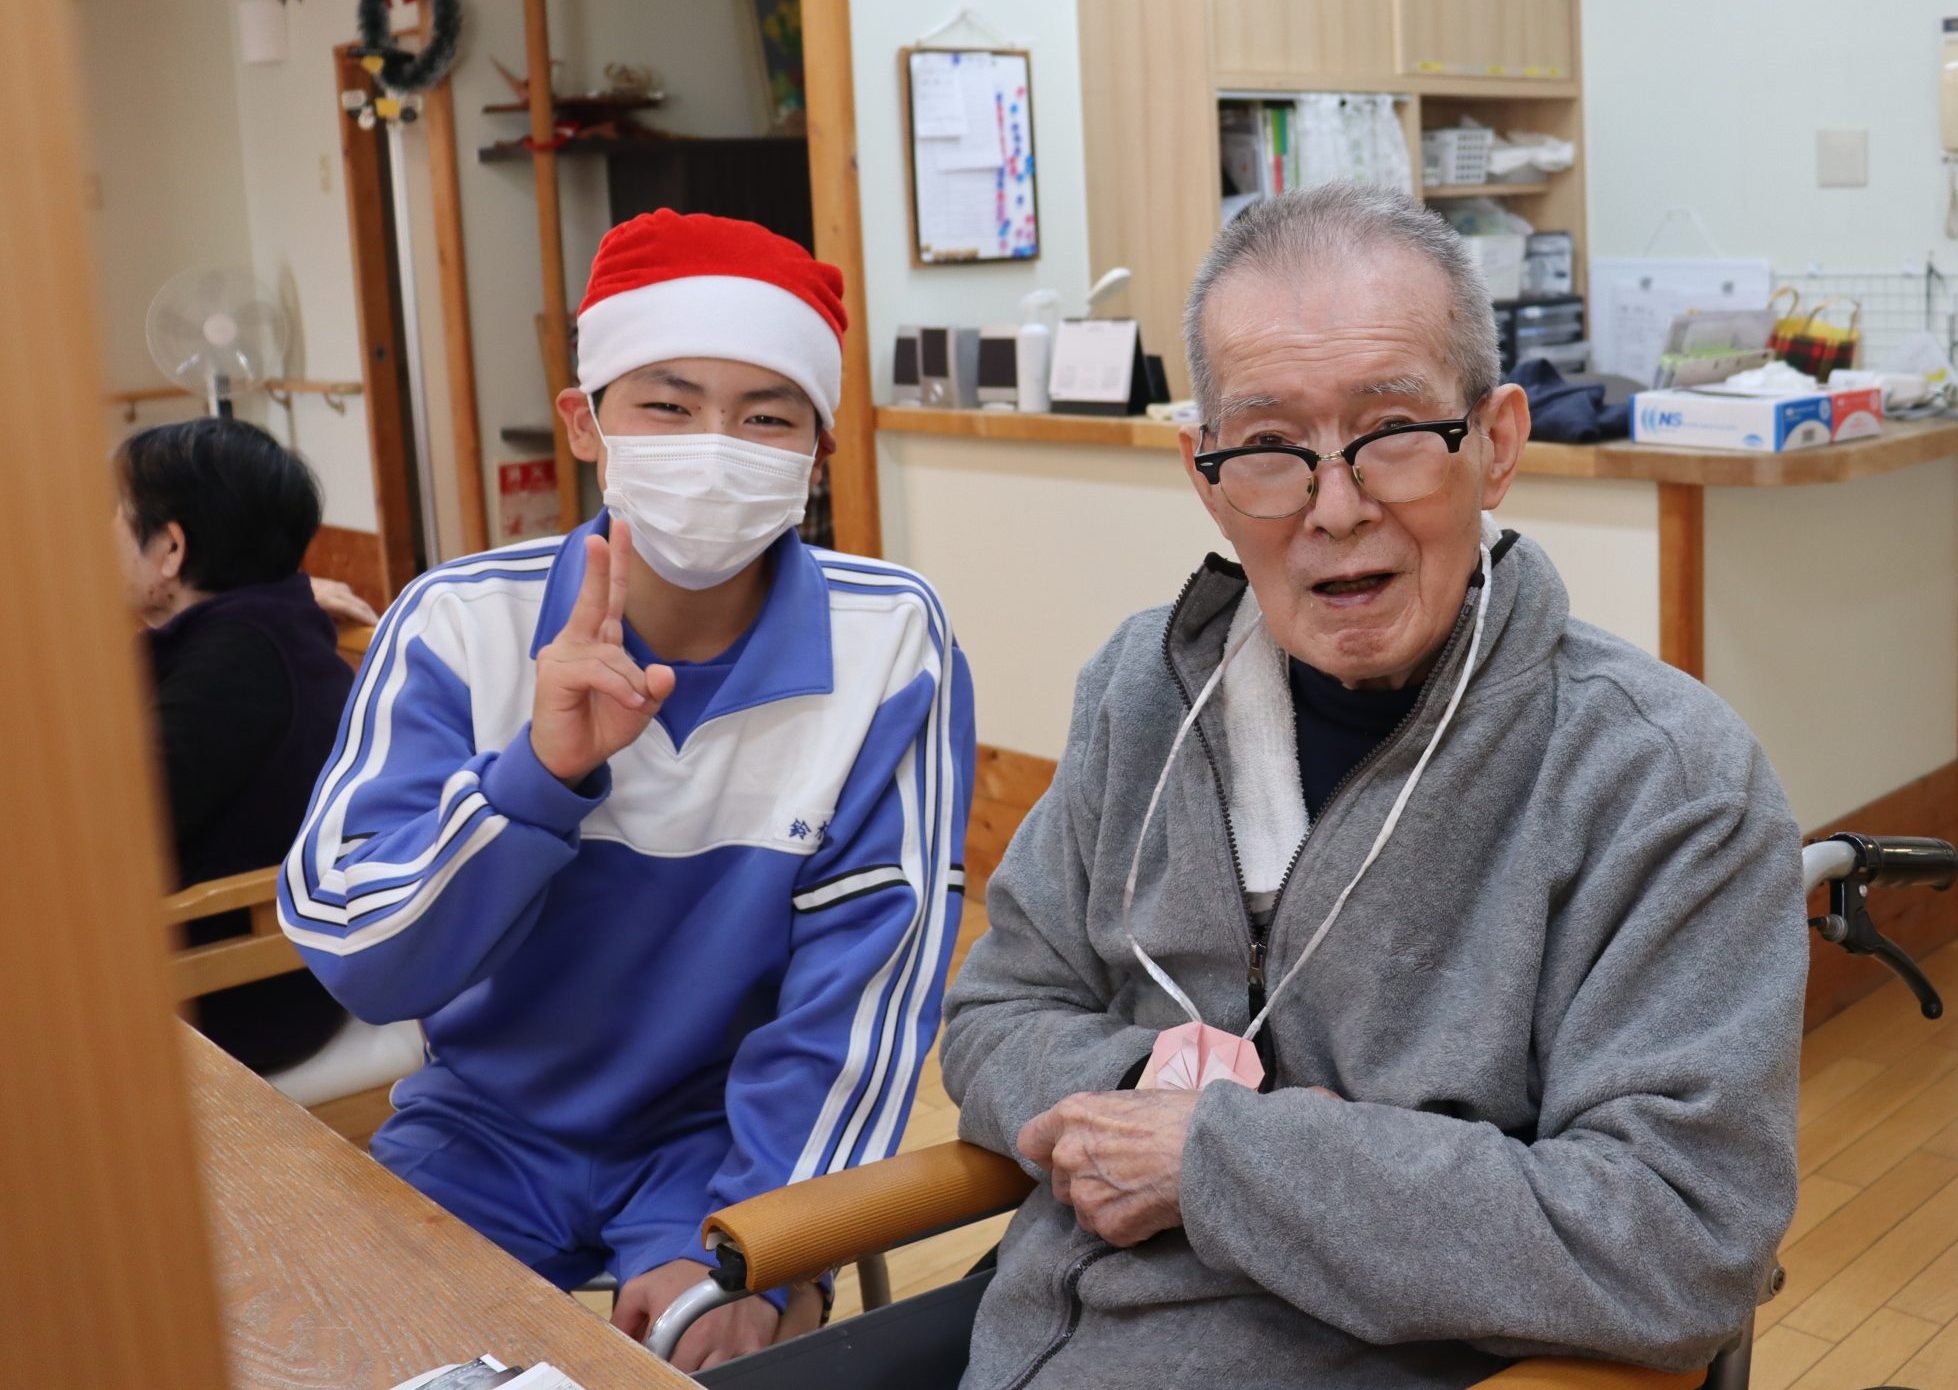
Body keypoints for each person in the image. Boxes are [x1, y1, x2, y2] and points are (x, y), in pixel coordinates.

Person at [941, 185, 1805, 1389]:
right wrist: (1142, 1107)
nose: (1334, 507)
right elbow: (993, 1015)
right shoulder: (1140, 691)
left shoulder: (1661, 781)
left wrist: (1220, 1164)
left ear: (1496, 444)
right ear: (1205, 473)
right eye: (1269, 449)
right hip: (1047, 1322)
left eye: (1392, 431)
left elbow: (1676, 1236)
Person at [279, 211, 976, 1373]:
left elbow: (863, 999)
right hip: (482, 1125)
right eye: (667, 402)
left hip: (722, 1144)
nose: (715, 445)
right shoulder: (457, 622)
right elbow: (363, 950)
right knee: (362, 1340)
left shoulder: (889, 641)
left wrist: (759, 1243)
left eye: (766, 415)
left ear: (818, 449)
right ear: (586, 422)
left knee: (710, 1356)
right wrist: (535, 779)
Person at [117, 417, 353, 1073]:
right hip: (259, 974)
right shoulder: (269, 624)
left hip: (233, 1002)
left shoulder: (236, 665)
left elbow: (108, 831)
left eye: (116, 512)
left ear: (170, 549)